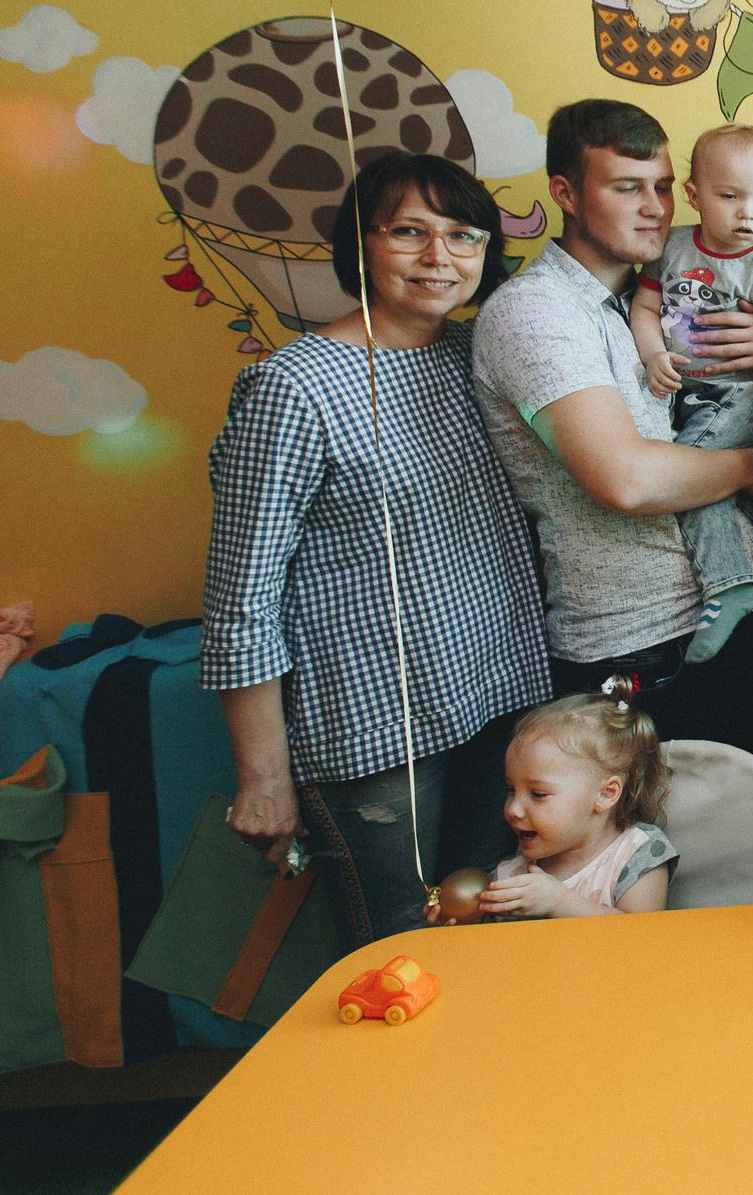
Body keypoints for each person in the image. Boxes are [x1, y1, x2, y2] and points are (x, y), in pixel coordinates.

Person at [203, 152, 548, 949]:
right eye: (409, 232)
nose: (440, 257)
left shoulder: (473, 355)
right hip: (371, 729)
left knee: (493, 935)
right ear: (360, 245)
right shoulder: (295, 386)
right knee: (403, 949)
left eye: (464, 236)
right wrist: (263, 777)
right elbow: (240, 596)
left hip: (496, 703)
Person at [471, 100, 753, 731]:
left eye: (664, 188)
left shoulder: (668, 291)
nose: (656, 209)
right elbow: (626, 478)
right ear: (566, 193)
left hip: (730, 623)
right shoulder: (537, 313)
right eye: (626, 188)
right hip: (636, 648)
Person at [628, 123, 753, 660]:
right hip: (691, 395)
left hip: (747, 395)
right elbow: (645, 308)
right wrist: (652, 354)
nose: (746, 214)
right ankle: (734, 573)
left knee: (683, 474)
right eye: (729, 197)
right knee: (703, 488)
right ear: (693, 196)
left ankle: (731, 587)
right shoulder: (673, 247)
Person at [473, 693, 677, 918]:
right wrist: (462, 920)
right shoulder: (512, 874)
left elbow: (643, 937)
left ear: (606, 794)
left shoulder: (637, 852)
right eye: (511, 790)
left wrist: (558, 901)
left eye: (538, 794)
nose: (512, 810)